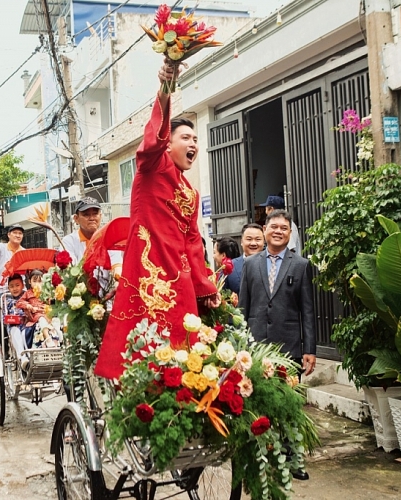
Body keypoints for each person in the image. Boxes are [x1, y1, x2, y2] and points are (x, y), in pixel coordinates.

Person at [94, 61, 219, 380]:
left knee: (186, 354)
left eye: (196, 141)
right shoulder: (153, 167)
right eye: (186, 138)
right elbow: (153, 138)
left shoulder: (190, 193)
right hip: (148, 272)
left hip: (181, 279)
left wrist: (205, 286)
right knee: (146, 350)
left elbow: (193, 242)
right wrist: (165, 90)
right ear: (169, 143)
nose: (193, 144)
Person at [238, 209, 316, 481]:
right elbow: (243, 308)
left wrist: (310, 350)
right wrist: (241, 346)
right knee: (257, 404)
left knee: (291, 407)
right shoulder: (250, 264)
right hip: (257, 348)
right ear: (266, 230)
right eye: (274, 227)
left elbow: (308, 311)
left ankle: (295, 461)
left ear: (290, 233)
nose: (279, 231)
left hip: (289, 347)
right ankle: (260, 459)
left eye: (285, 228)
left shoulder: (301, 265)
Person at [225, 223, 264, 294]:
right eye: (249, 239)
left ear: (264, 242)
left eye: (258, 239)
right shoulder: (230, 266)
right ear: (241, 242)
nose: (253, 243)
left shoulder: (271, 264)